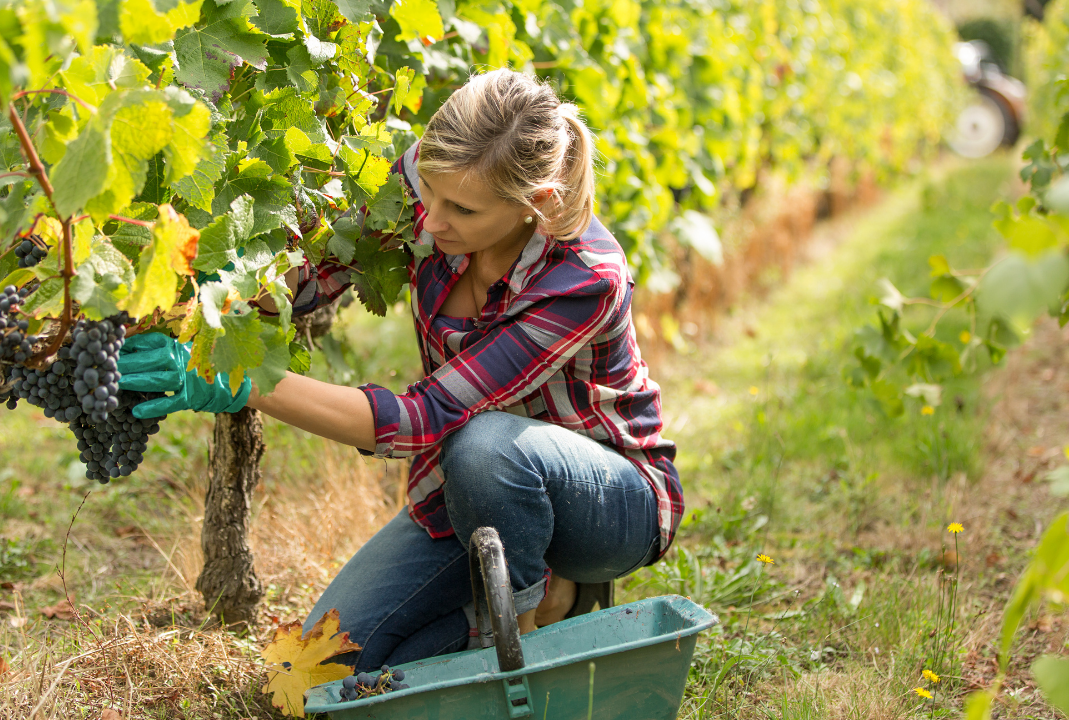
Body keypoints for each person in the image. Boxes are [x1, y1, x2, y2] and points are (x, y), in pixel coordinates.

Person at [118, 68, 682, 672]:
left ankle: (526, 638)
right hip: (465, 495)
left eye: (460, 210)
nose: (430, 221)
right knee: (317, 671)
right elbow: (315, 271)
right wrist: (209, 299)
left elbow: (424, 420)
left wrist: (246, 381)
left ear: (534, 205)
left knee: (486, 446)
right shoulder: (430, 183)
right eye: (429, 193)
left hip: (606, 502)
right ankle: (520, 600)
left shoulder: (583, 278)